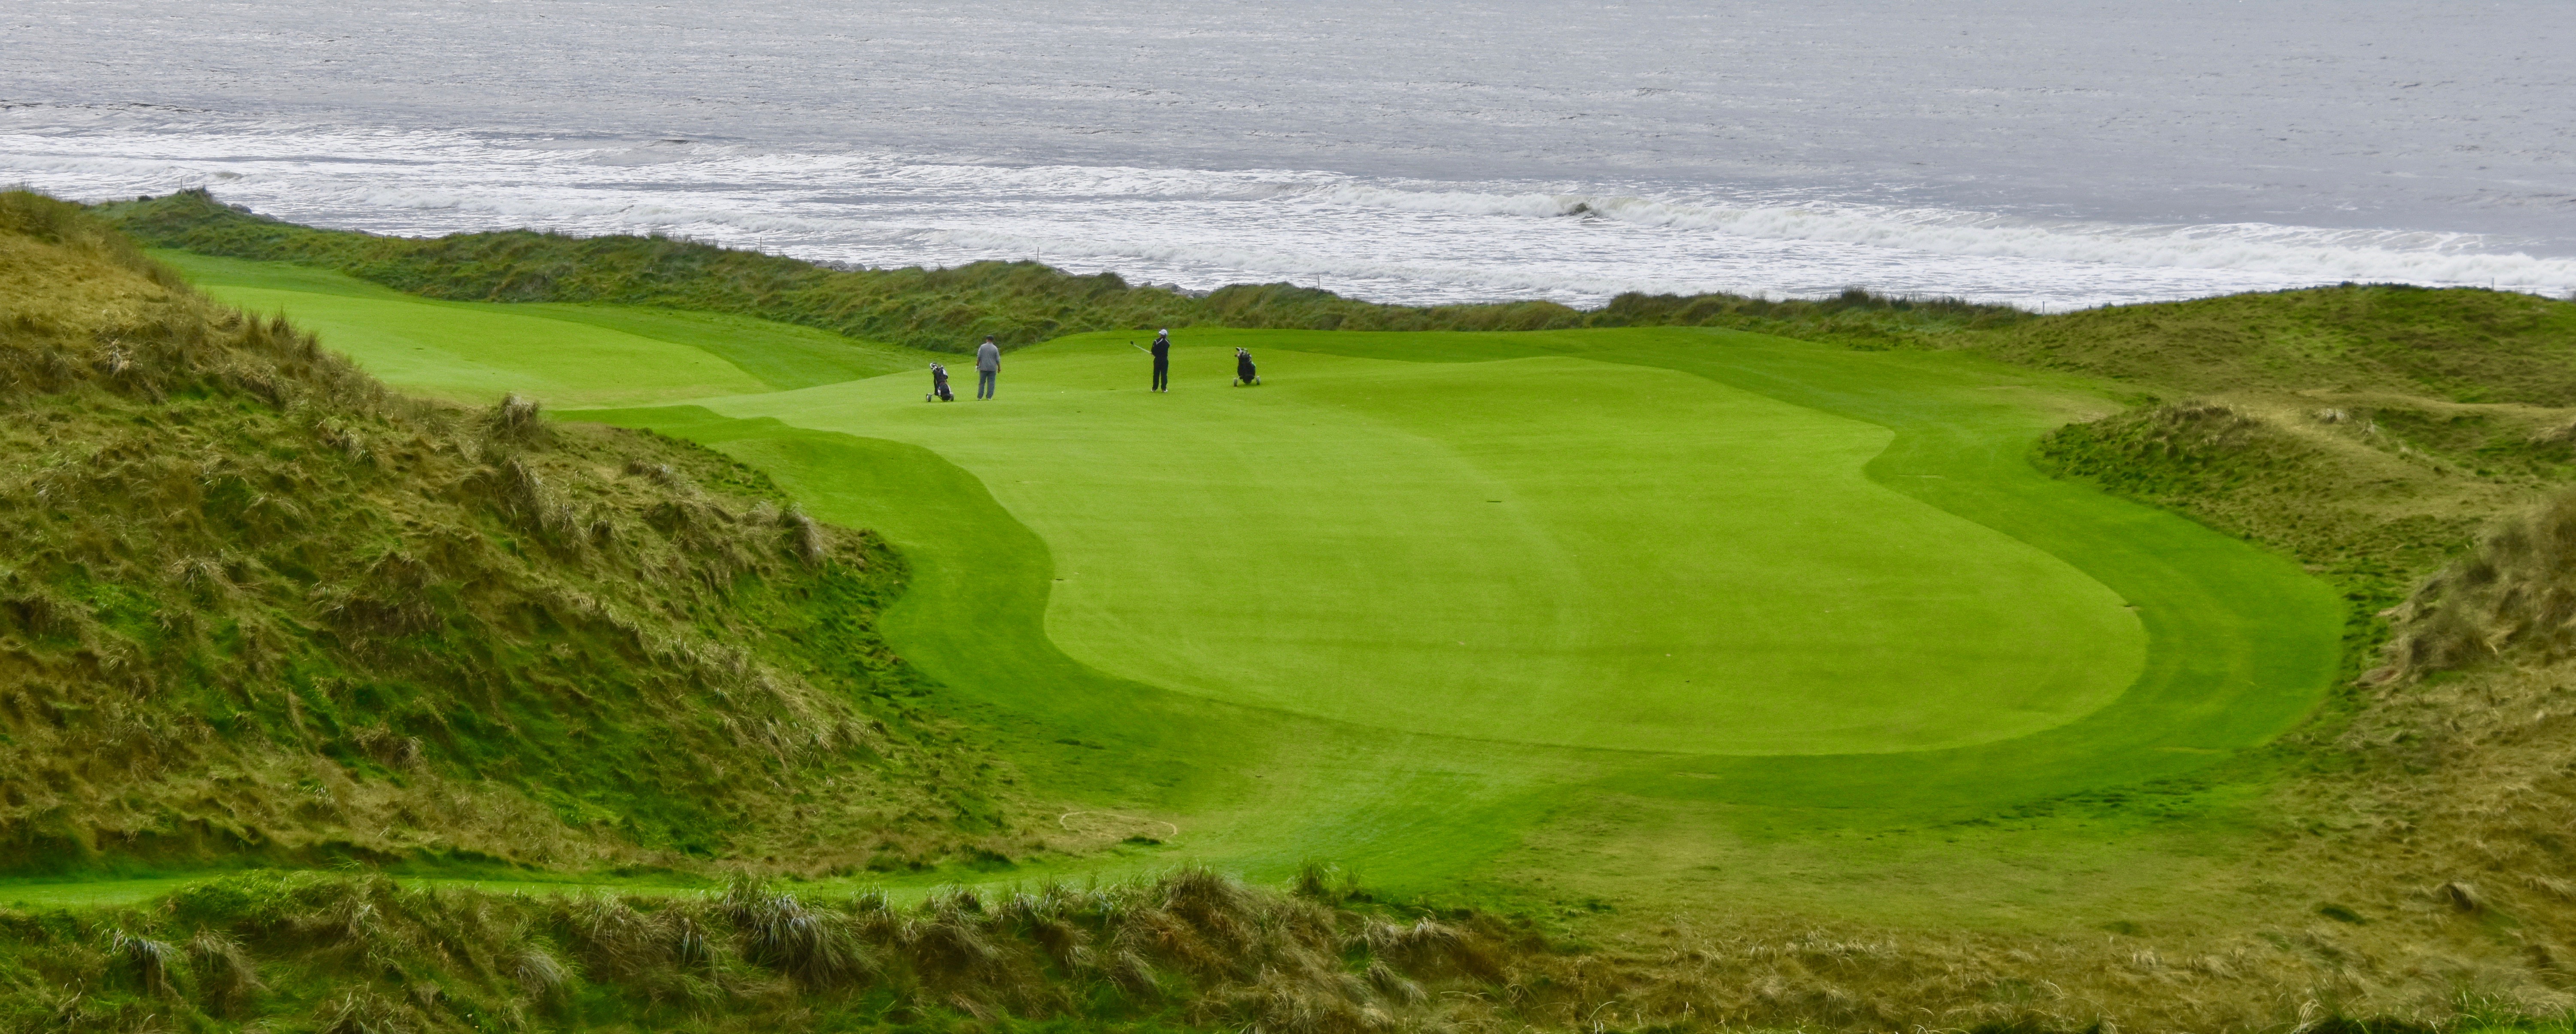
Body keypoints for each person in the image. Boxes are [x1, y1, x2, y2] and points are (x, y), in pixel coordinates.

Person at [975, 335, 1001, 400]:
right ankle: (989, 397)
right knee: (991, 382)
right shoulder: (995, 348)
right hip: (992, 368)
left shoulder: (982, 347)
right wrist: (999, 368)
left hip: (983, 367)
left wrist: (977, 365)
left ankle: (980, 397)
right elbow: (997, 359)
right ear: (992, 340)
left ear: (987, 340)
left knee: (982, 382)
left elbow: (979, 357)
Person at [1149, 328, 1171, 392]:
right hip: (1165, 360)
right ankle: (1164, 389)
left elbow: (1153, 350)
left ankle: (1154, 388)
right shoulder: (1168, 342)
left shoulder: (1156, 341)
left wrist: (1154, 354)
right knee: (1164, 375)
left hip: (1158, 360)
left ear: (1161, 335)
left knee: (1156, 374)